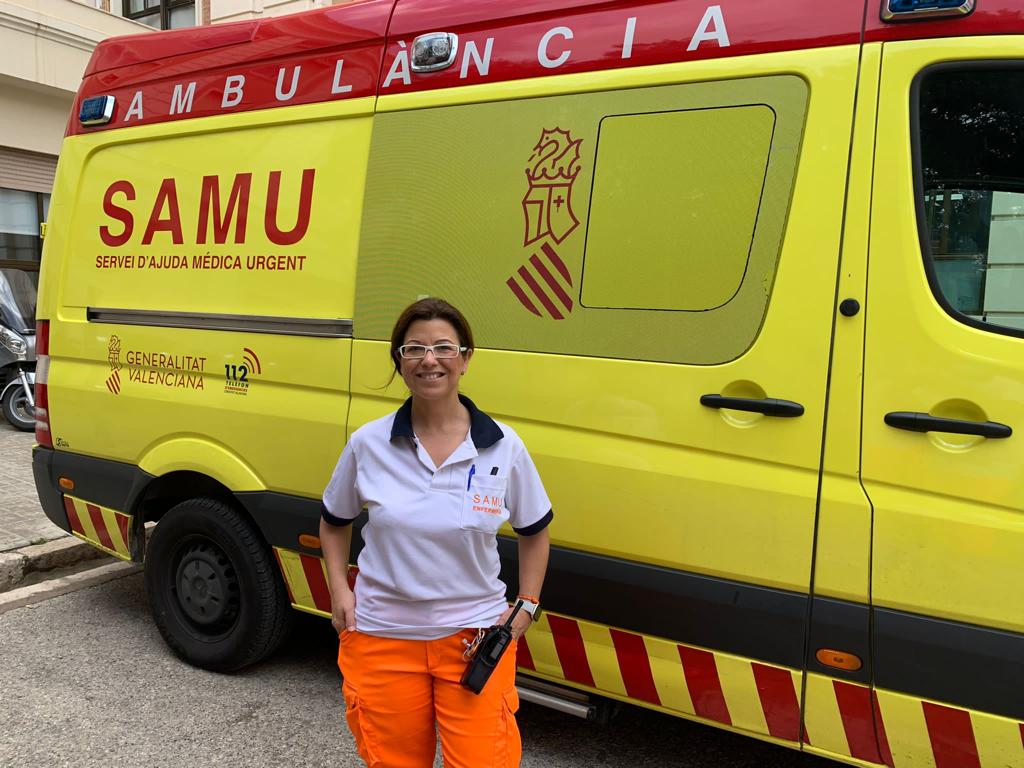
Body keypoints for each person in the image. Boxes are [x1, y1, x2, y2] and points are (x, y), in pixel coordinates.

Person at [320, 297, 553, 768]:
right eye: (414, 349)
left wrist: (527, 604)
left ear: (465, 358)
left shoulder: (503, 447)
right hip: (382, 636)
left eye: (444, 347)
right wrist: (340, 591)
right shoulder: (368, 443)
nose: (430, 360)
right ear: (400, 361)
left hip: (475, 639)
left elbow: (535, 530)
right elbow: (333, 522)